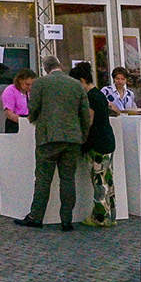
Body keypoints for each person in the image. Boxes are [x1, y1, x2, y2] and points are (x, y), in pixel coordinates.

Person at [20, 56, 94, 229]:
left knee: (43, 179)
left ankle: (36, 217)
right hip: (72, 138)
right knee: (68, 179)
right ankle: (66, 220)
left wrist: (34, 120)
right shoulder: (76, 84)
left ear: (45, 68)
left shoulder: (40, 83)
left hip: (48, 138)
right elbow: (85, 114)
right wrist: (82, 135)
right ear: (60, 65)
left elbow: (33, 108)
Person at [73, 62, 117, 227]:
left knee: (99, 182)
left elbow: (89, 122)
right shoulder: (99, 94)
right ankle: (111, 216)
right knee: (108, 179)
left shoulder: (91, 96)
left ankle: (100, 217)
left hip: (98, 143)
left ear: (83, 80)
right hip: (107, 140)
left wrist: (83, 142)